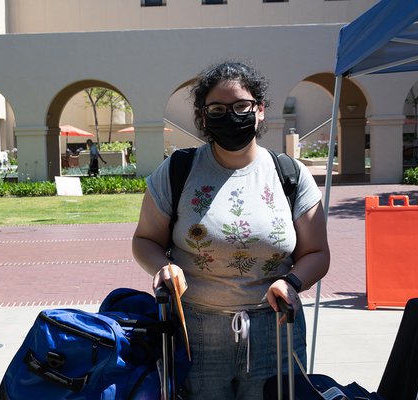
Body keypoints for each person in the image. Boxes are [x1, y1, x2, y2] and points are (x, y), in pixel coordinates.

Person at [131, 60, 330, 399]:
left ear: (260, 110)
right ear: (203, 116)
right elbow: (145, 240)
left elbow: (317, 252)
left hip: (277, 330)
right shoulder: (178, 170)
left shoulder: (290, 175)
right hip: (195, 331)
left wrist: (292, 282)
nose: (232, 116)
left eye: (241, 106)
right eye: (218, 109)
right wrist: (164, 268)